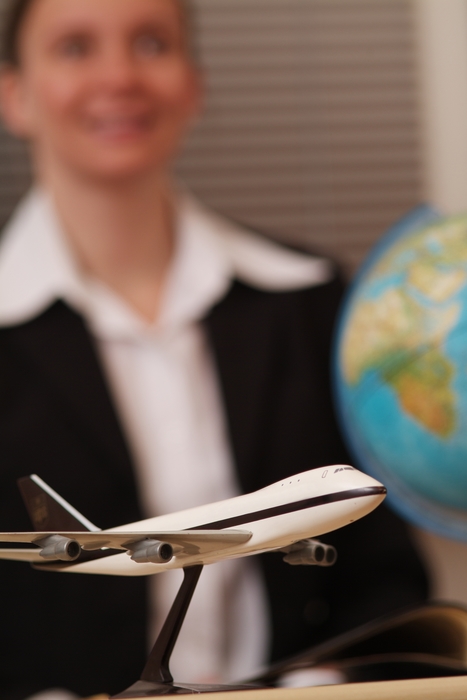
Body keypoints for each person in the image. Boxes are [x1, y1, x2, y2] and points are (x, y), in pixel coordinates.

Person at [0, 0, 428, 698]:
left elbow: (382, 574)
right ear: (14, 95)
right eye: (76, 47)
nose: (119, 76)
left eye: (150, 42)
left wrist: (327, 682)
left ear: (194, 82)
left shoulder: (313, 301)